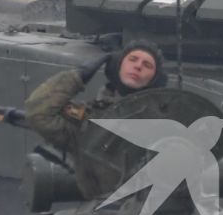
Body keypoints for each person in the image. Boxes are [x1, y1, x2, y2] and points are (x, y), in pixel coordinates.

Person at [24, 43, 169, 200]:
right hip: (102, 213)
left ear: (154, 79)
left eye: (147, 65)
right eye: (132, 59)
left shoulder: (162, 120)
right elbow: (39, 113)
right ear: (118, 65)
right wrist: (79, 75)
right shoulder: (89, 120)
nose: (138, 66)